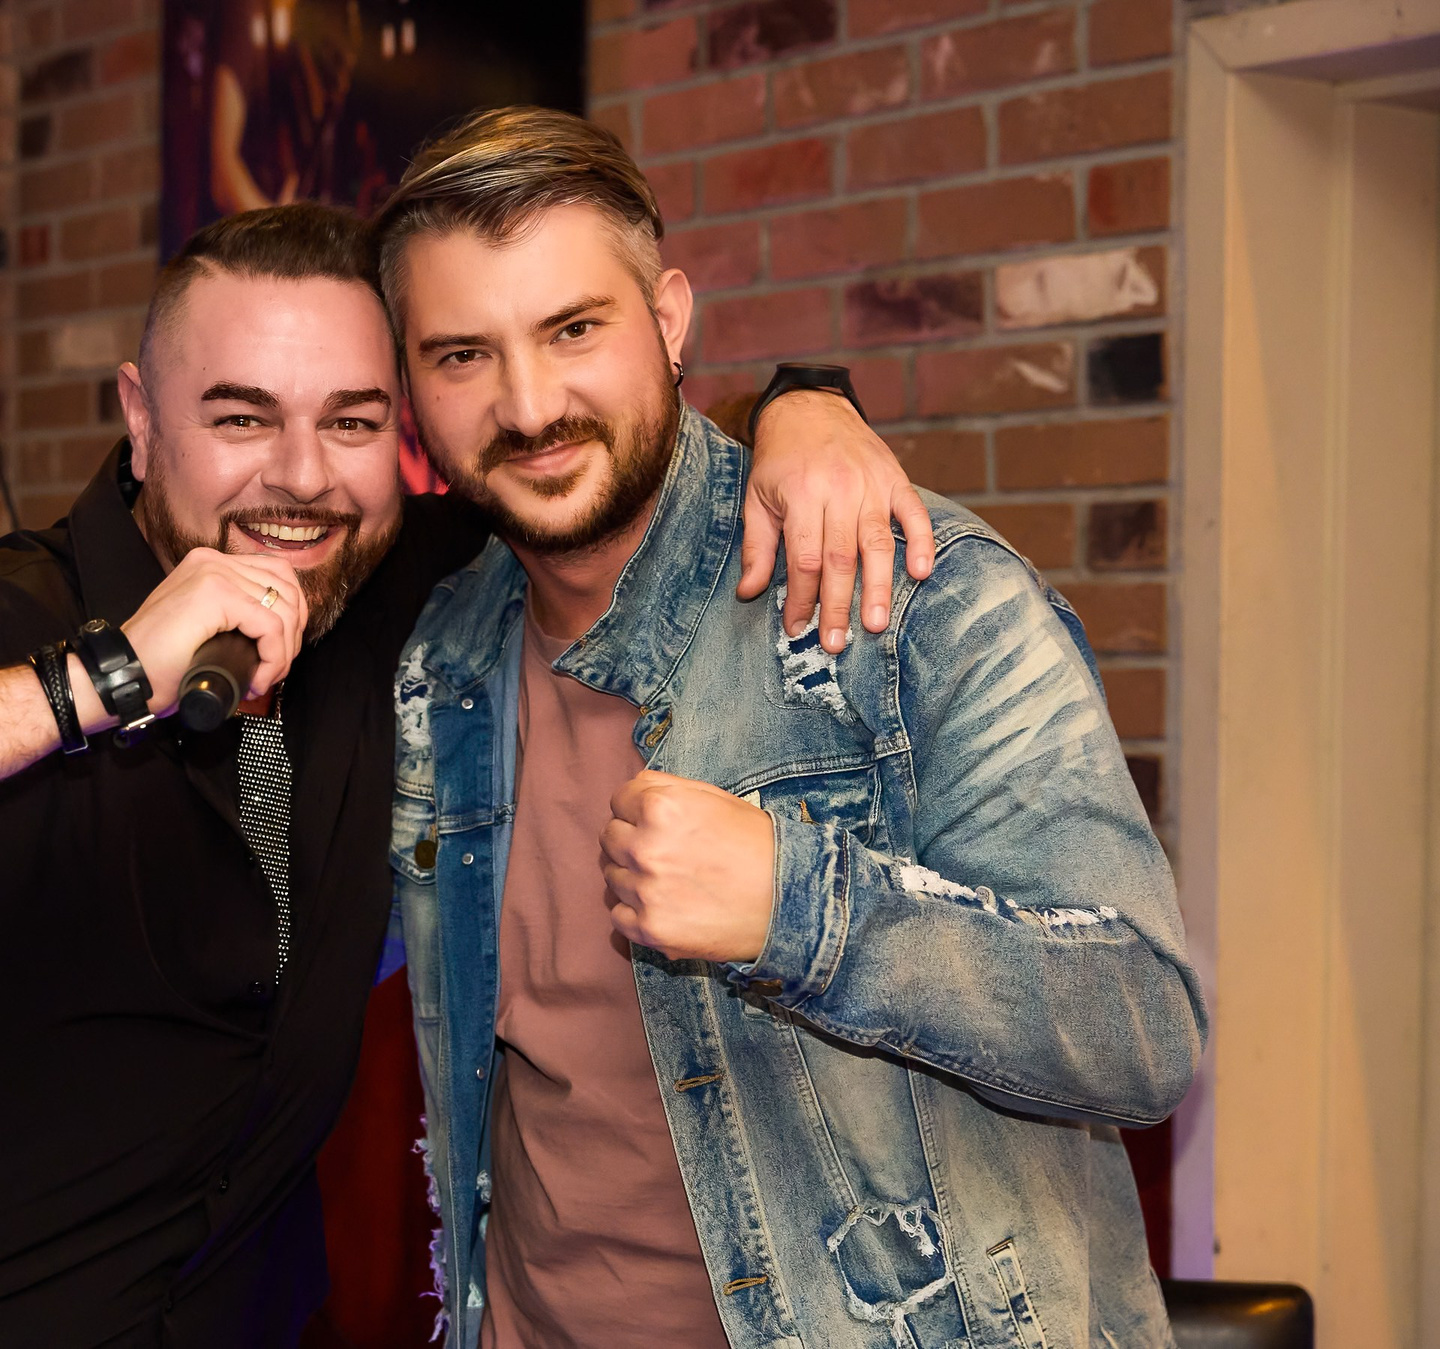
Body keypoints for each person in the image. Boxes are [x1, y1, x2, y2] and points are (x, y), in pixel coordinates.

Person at [0, 201, 923, 1346]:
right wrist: (103, 677)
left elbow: (617, 466)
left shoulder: (391, 580)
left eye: (351, 421)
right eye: (241, 416)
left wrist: (805, 408)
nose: (300, 478)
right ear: (139, 418)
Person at [376, 108, 1206, 1348]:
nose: (530, 402)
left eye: (574, 329)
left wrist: (802, 907)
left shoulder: (908, 591)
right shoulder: (442, 655)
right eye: (461, 354)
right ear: (412, 391)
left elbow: (1141, 1023)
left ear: (669, 320)